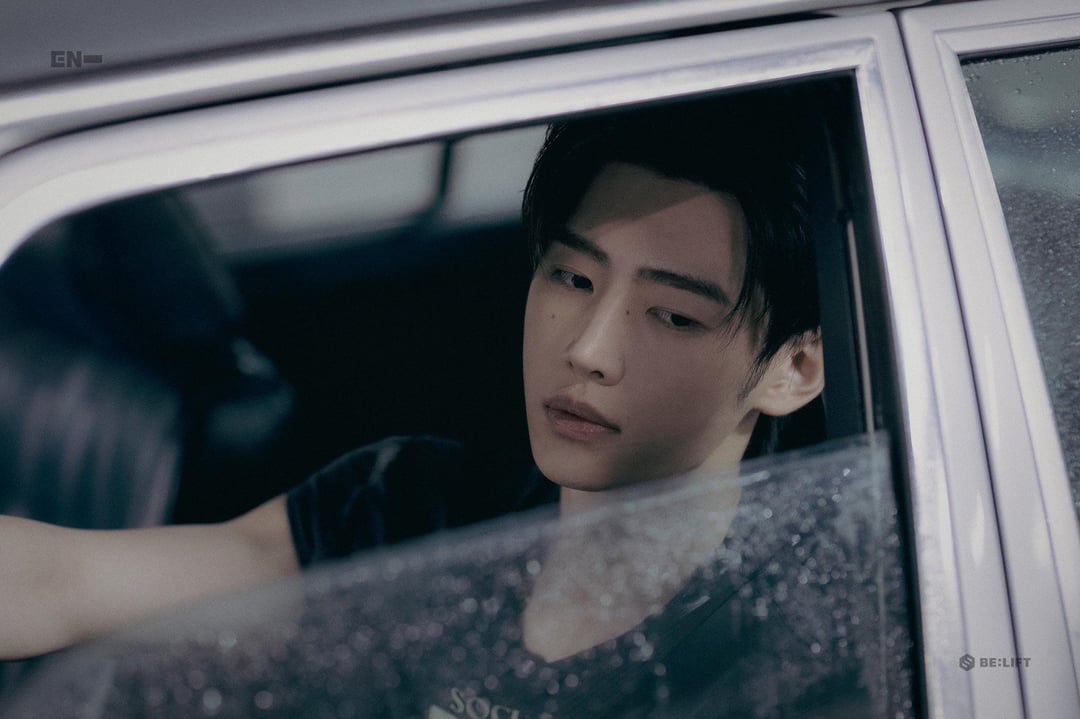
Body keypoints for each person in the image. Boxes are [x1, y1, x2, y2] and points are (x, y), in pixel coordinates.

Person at [0, 91, 826, 688]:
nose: (589, 350)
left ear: (793, 369)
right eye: (572, 277)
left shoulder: (796, 649)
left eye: (674, 316)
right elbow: (63, 582)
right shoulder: (415, 506)